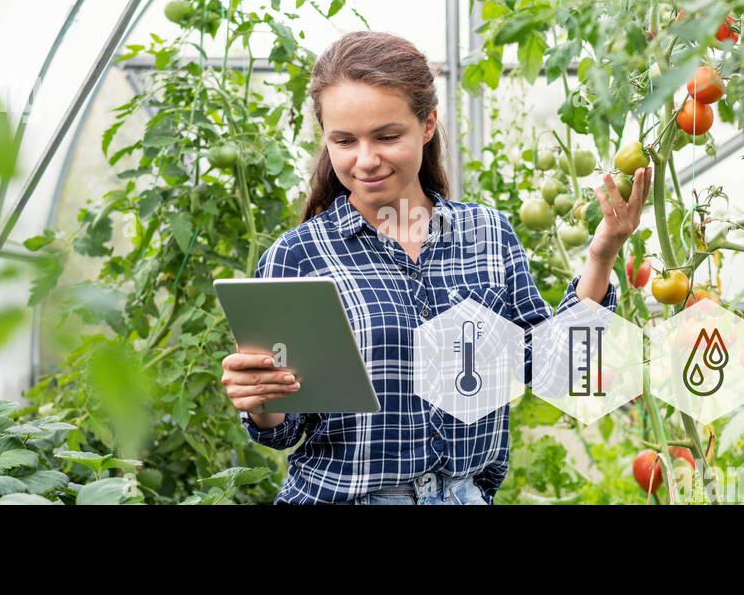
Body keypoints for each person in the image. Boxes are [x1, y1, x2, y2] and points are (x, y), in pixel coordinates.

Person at [219, 31, 649, 504]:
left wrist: (602, 252)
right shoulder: (298, 257)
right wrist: (261, 402)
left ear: (427, 125)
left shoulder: (487, 235)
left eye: (386, 136)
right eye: (344, 140)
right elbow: (282, 432)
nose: (365, 160)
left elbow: (554, 370)